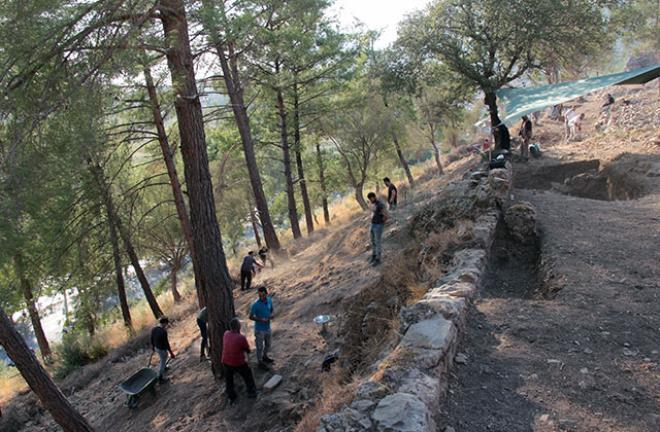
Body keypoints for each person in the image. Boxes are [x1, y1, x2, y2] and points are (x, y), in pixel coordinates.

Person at [222, 317, 257, 404]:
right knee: (248, 375)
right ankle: (252, 392)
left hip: (225, 361)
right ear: (238, 327)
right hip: (237, 362)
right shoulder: (241, 338)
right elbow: (247, 350)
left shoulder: (226, 334)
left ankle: (231, 398)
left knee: (229, 380)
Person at [249, 286, 274, 370]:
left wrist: (271, 315)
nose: (261, 297)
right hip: (259, 329)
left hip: (268, 327)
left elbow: (271, 309)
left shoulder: (269, 300)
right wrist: (260, 319)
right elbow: (251, 316)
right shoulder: (255, 305)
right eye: (259, 295)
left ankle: (265, 356)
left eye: (263, 295)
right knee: (259, 346)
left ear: (266, 294)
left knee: (268, 344)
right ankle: (260, 362)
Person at [150, 317, 175, 382]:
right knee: (162, 361)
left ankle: (165, 367)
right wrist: (171, 353)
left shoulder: (154, 329)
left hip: (156, 347)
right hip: (161, 349)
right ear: (164, 323)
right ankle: (160, 378)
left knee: (163, 358)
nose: (166, 325)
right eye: (166, 324)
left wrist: (153, 347)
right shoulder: (163, 331)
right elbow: (167, 344)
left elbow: (151, 339)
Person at [367, 192, 388, 266]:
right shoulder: (374, 204)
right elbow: (373, 213)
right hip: (373, 224)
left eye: (371, 198)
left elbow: (386, 214)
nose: (370, 200)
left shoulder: (380, 204)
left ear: (373, 197)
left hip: (378, 225)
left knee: (377, 242)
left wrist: (382, 223)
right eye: (369, 199)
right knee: (373, 242)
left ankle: (378, 259)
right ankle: (374, 256)